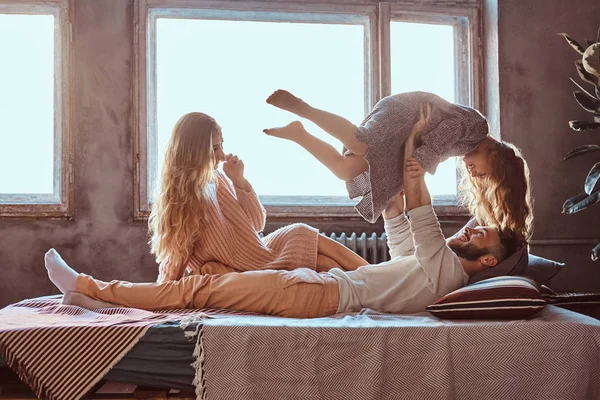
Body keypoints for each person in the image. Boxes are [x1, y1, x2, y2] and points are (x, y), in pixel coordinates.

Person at [44, 109, 519, 316]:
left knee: (199, 291)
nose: (474, 227)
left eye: (483, 235)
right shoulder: (425, 267)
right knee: (198, 288)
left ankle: (89, 289)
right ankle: (93, 292)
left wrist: (415, 154)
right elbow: (399, 218)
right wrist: (402, 152)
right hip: (324, 289)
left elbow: (420, 212)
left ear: (490, 262)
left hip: (315, 294)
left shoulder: (446, 275)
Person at [263, 90, 533, 245]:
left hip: (409, 132)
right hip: (409, 112)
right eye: (484, 172)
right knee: (360, 143)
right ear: (495, 155)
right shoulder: (477, 128)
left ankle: (300, 134)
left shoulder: (465, 147)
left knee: (348, 169)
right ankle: (303, 109)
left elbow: (425, 149)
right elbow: (433, 141)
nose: (474, 174)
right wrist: (419, 166)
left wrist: (409, 175)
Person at [149, 112, 368, 282]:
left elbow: (256, 223)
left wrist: (240, 183)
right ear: (193, 150)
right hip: (247, 264)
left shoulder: (217, 179)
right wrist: (160, 295)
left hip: (257, 250)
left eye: (221, 145)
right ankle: (378, 283)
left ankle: (380, 276)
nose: (223, 154)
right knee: (324, 263)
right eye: (214, 148)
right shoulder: (184, 199)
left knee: (304, 233)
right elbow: (176, 258)